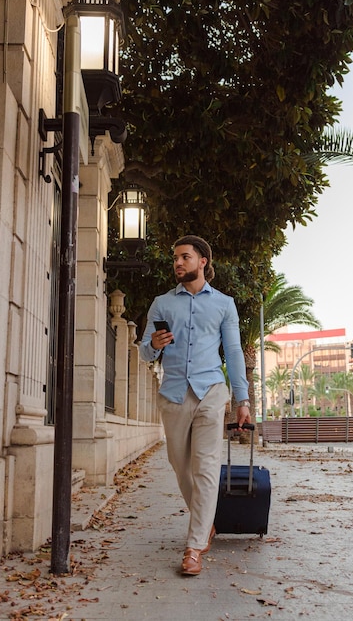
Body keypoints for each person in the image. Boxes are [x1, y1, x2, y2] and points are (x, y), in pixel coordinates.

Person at [140, 235, 251, 576]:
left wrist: (242, 398)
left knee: (205, 468)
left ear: (203, 261)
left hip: (211, 391)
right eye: (175, 258)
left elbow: (232, 353)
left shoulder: (223, 304)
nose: (178, 262)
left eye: (185, 257)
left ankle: (195, 545)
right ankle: (206, 524)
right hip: (173, 392)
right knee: (180, 466)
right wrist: (154, 345)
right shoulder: (161, 304)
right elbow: (144, 349)